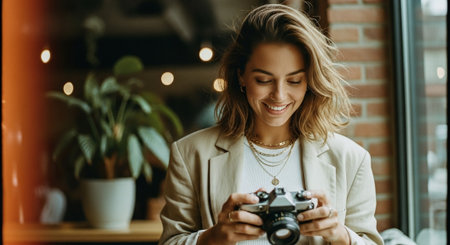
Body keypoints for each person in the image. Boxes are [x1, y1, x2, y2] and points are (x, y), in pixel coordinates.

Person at [159, 3, 383, 245]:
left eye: (294, 80)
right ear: (241, 76)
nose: (279, 95)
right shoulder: (190, 154)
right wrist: (212, 237)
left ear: (309, 81)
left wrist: (340, 235)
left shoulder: (351, 159)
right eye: (264, 80)